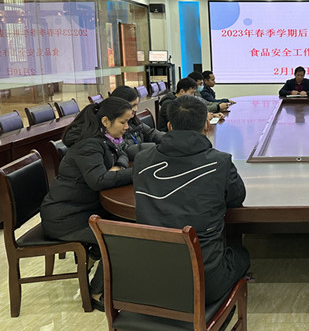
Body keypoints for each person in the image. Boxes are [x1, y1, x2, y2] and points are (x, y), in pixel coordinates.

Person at [133, 95, 249, 304]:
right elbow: (236, 199)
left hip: (149, 279)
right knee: (241, 254)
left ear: (169, 126)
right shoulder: (220, 162)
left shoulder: (142, 160)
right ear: (206, 125)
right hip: (204, 283)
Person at [40, 96, 134, 311]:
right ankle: (96, 292)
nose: (127, 127)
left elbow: (121, 153)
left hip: (83, 209)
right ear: (105, 121)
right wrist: (135, 173)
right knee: (119, 238)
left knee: (127, 224)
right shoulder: (88, 144)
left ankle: (93, 257)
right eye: (123, 122)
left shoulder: (104, 138)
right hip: (66, 219)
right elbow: (98, 180)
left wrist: (118, 168)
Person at [110, 85, 164, 160]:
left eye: (137, 105)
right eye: (132, 106)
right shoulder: (112, 127)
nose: (136, 109)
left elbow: (151, 133)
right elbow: (125, 150)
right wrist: (156, 147)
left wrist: (170, 139)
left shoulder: (133, 121)